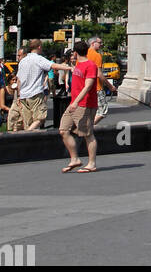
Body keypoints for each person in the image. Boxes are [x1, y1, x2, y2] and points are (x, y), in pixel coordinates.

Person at [58, 40, 99, 173]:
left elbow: (88, 86)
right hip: (74, 104)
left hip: (85, 104)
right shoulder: (77, 64)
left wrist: (76, 101)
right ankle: (75, 159)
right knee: (63, 130)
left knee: (88, 134)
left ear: (75, 53)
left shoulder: (90, 65)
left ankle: (92, 163)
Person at [17, 38, 69, 131]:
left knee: (28, 121)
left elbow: (19, 79)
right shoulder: (38, 59)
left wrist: (19, 94)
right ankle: (27, 133)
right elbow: (53, 65)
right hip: (35, 93)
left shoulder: (23, 61)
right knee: (40, 118)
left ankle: (27, 137)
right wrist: (68, 68)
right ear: (39, 47)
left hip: (23, 95)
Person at [87, 36, 117, 125]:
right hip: (97, 87)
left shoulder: (83, 54)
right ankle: (89, 127)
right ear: (93, 43)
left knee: (89, 110)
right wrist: (110, 86)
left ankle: (87, 128)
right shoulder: (97, 55)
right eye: (99, 43)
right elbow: (99, 74)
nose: (101, 44)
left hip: (85, 87)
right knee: (102, 111)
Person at [4, 49, 25, 132]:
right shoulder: (5, 89)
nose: (14, 81)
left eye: (16, 80)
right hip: (8, 111)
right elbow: (2, 105)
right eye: (13, 80)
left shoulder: (18, 88)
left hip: (18, 108)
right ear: (9, 80)